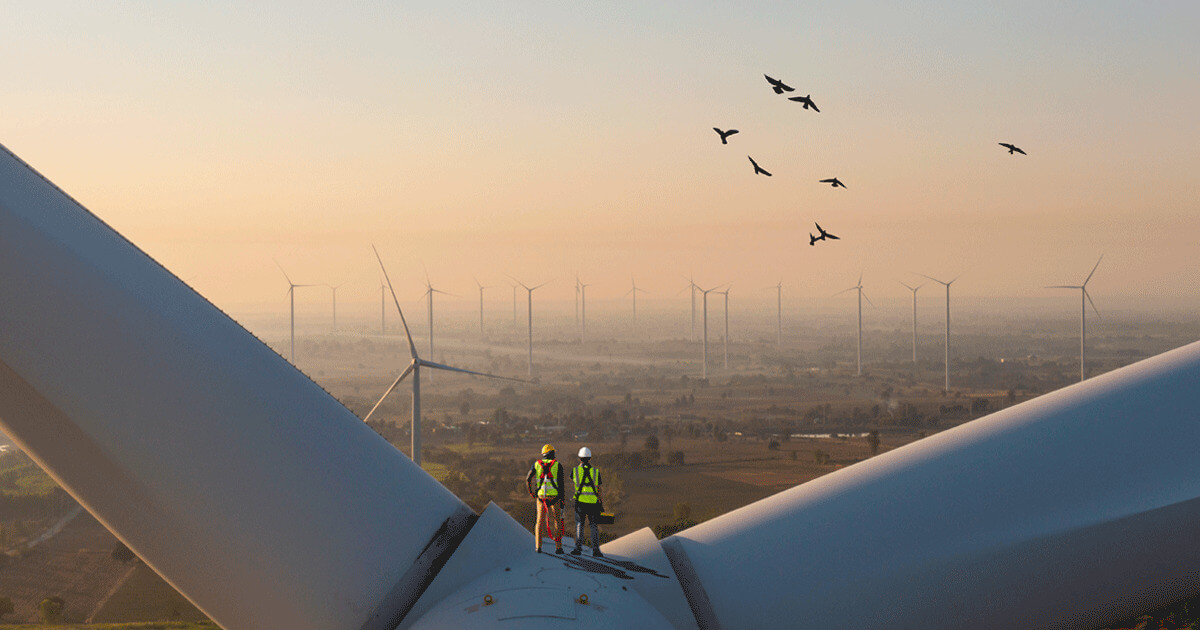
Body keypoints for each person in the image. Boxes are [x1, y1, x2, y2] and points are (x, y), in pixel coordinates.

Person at [526, 443, 564, 554]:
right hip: (554, 497)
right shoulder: (557, 465)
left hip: (541, 497)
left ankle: (538, 547)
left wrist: (531, 493)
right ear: (552, 453)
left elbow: (528, 478)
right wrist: (562, 500)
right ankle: (558, 548)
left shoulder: (537, 464)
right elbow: (561, 485)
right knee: (557, 521)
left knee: (539, 521)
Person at [571, 446, 604, 557]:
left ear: (579, 458)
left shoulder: (575, 471)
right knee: (593, 526)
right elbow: (599, 489)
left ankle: (578, 549)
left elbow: (574, 482)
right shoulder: (596, 472)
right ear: (590, 458)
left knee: (580, 524)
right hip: (593, 503)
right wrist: (600, 502)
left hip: (580, 502)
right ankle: (596, 550)